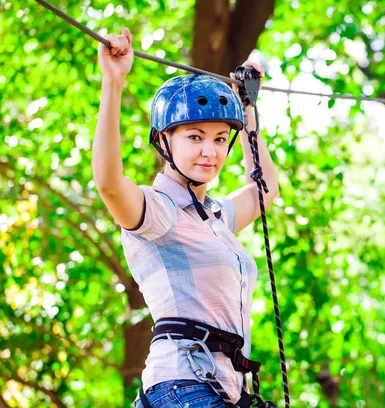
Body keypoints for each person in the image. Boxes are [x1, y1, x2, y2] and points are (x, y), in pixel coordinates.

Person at [92, 28, 279, 408]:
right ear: (164, 140)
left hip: (220, 388)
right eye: (195, 137)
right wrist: (113, 83)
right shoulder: (157, 211)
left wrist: (247, 111)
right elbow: (109, 184)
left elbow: (265, 192)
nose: (210, 150)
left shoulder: (215, 217)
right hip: (183, 386)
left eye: (220, 138)